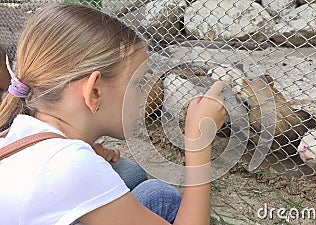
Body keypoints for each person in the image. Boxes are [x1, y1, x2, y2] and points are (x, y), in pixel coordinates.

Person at [0, 3, 225, 225]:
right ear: (94, 92)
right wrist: (199, 143)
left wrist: (85, 152)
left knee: (129, 172)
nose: (141, 97)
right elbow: (67, 173)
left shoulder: (18, 130)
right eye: (137, 83)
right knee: (160, 196)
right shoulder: (71, 166)